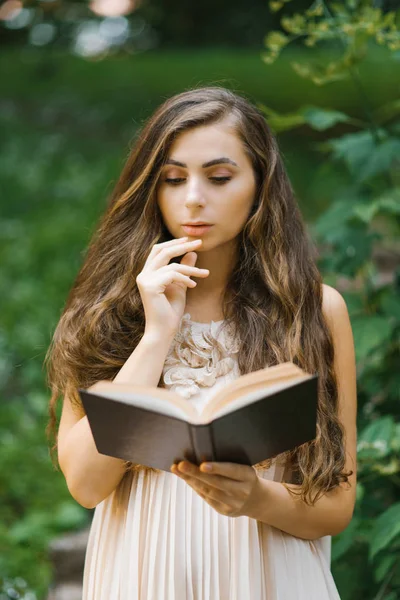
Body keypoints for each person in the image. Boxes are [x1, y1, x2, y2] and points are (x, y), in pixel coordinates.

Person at [44, 86, 357, 599]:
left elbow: (336, 506)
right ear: (151, 189)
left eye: (219, 177)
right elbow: (86, 484)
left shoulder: (315, 312)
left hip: (271, 580)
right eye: (172, 179)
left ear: (259, 185)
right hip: (142, 577)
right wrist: (155, 336)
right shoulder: (106, 313)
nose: (193, 197)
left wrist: (255, 496)